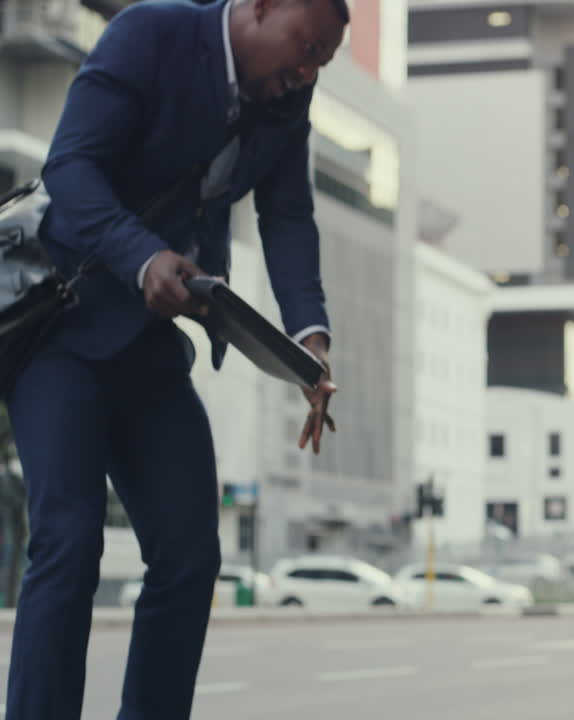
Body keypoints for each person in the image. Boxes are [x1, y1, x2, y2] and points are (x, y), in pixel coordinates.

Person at [4, 0, 346, 716]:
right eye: (305, 45)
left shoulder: (288, 100)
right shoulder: (151, 33)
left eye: (323, 60)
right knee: (68, 542)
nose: (308, 69)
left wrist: (310, 343)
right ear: (260, 8)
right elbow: (70, 166)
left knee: (190, 556)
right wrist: (139, 256)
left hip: (151, 345)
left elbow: (287, 219)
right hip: (62, 332)